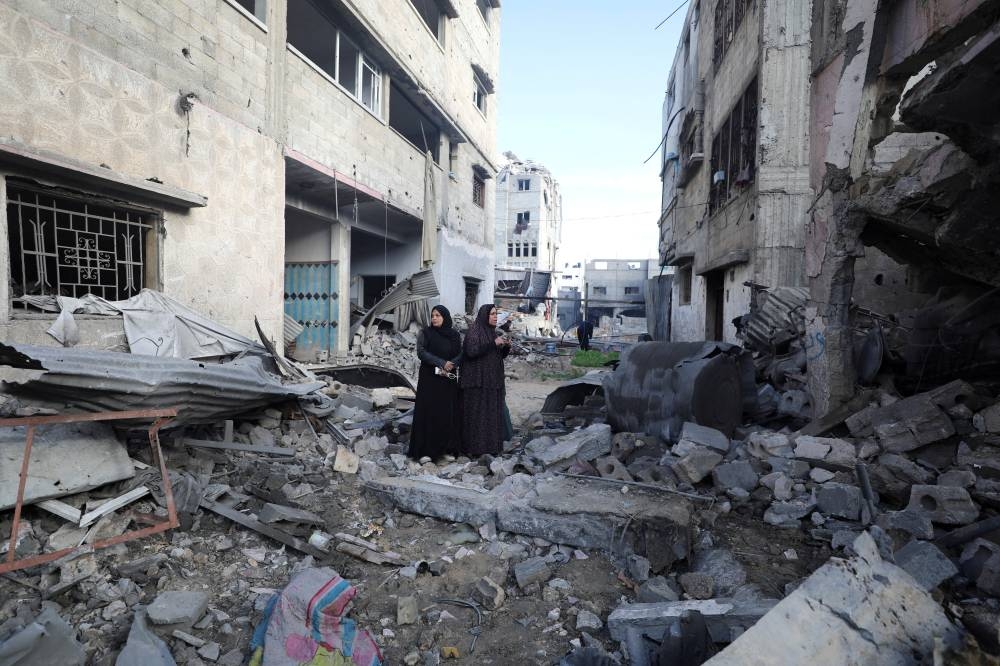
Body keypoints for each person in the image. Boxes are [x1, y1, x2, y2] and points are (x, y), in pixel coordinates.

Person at [407, 305, 463, 461]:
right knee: (429, 413)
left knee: (446, 413)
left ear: (445, 316)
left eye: (438, 315)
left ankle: (444, 450)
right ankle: (425, 452)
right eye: (433, 315)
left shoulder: (454, 335)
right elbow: (421, 352)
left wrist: (451, 364)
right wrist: (441, 363)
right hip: (430, 379)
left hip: (448, 379)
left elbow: (461, 353)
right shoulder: (426, 333)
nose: (434, 318)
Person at [460, 304, 509, 456]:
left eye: (496, 314)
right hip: (476, 382)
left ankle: (489, 448)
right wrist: (493, 344)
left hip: (491, 381)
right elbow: (471, 352)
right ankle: (474, 449)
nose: (495, 317)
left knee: (490, 415)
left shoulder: (492, 332)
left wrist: (506, 347)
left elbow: (497, 355)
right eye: (492, 314)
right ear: (484, 315)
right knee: (477, 416)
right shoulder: (475, 331)